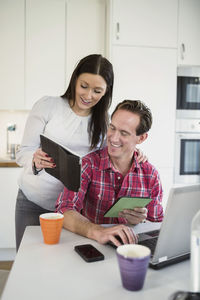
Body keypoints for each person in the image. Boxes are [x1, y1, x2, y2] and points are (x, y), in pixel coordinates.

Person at [15, 54, 146, 251]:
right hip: (34, 202)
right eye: (84, 86)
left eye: (97, 91)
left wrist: (134, 152)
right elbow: (23, 153)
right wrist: (34, 159)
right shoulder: (48, 105)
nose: (88, 95)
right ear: (75, 80)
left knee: (62, 266)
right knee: (27, 261)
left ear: (106, 92)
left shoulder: (104, 122)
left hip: (75, 211)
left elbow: (110, 157)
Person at [55, 100, 164, 247]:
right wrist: (97, 231)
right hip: (93, 247)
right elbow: (64, 209)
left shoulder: (150, 175)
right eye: (112, 128)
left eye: (124, 133)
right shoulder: (89, 164)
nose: (113, 138)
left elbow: (157, 225)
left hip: (132, 250)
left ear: (141, 138)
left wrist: (141, 222)